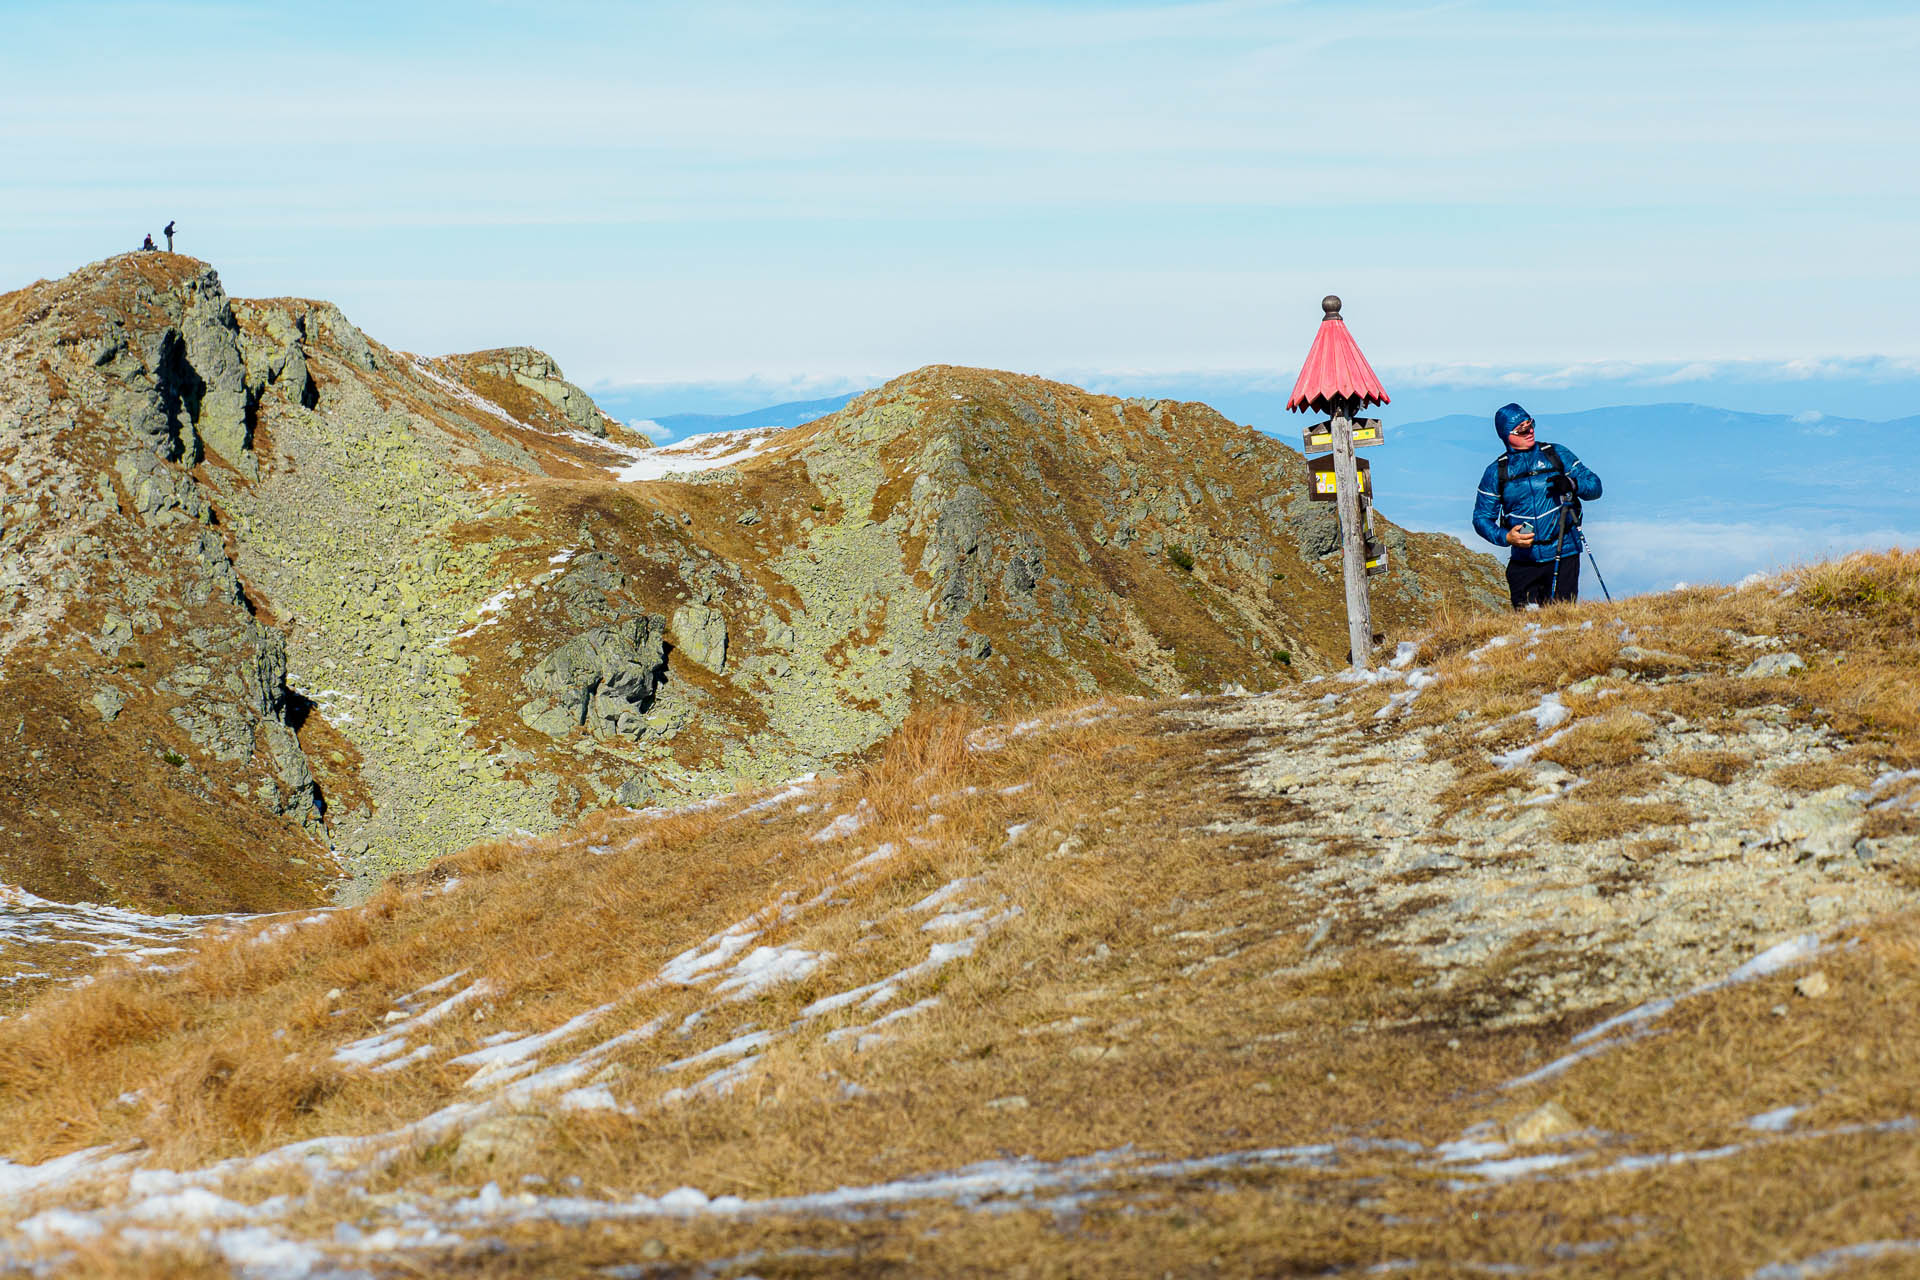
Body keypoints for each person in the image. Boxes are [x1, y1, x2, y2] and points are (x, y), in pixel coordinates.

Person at [1472, 402, 1602, 608]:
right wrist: (1506, 537)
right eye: (1522, 430)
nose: (1530, 431)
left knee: (1563, 620)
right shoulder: (1496, 472)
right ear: (1507, 435)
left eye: (1531, 424)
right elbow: (1481, 518)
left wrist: (1572, 484)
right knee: (1526, 626)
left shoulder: (1556, 455)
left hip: (1564, 551)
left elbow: (1595, 487)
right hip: (1525, 560)